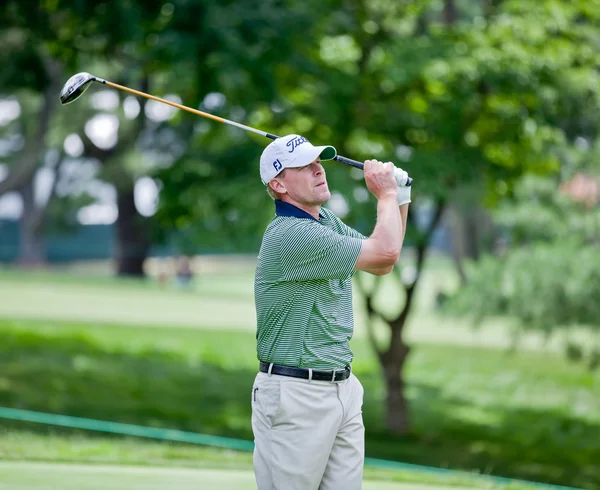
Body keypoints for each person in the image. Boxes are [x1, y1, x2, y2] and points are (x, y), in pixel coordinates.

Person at [252, 134, 411, 490]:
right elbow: (384, 252)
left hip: (342, 388)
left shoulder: (324, 222)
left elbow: (384, 259)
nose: (317, 170)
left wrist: (399, 196)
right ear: (278, 184)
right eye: (304, 166)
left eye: (318, 162)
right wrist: (385, 195)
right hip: (295, 394)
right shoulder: (290, 234)